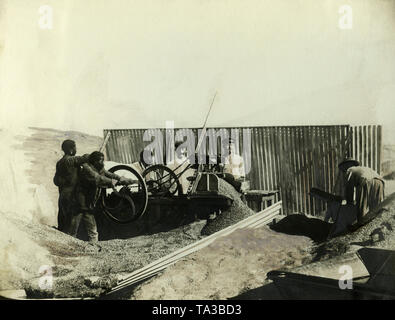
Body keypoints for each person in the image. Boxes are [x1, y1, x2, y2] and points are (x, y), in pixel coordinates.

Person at [69, 151, 135, 242]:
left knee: (88, 228)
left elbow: (110, 174)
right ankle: (70, 244)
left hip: (88, 202)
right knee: (77, 227)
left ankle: (91, 244)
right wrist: (117, 182)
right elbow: (99, 179)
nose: (102, 163)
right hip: (80, 201)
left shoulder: (99, 168)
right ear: (94, 161)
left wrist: (123, 179)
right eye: (101, 160)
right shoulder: (86, 168)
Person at [53, 140, 89, 233]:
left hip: (62, 195)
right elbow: (86, 158)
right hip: (71, 195)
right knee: (70, 223)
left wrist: (64, 182)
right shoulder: (71, 160)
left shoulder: (59, 162)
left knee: (62, 219)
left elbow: (56, 181)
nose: (76, 149)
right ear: (70, 149)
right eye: (75, 147)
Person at [338, 158, 385, 225]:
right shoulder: (362, 168)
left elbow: (349, 188)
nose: (342, 170)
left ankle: (360, 224)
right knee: (376, 206)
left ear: (347, 165)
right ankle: (377, 224)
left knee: (362, 206)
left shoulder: (350, 170)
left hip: (366, 180)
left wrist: (349, 203)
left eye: (343, 167)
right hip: (380, 181)